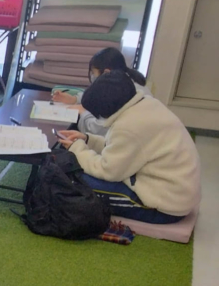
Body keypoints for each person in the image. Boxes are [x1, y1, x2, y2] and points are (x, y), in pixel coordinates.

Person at [56, 70, 200, 224]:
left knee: (72, 178)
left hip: (164, 208)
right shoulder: (147, 104)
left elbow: (107, 170)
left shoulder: (128, 127)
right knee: (75, 172)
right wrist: (88, 140)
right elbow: (124, 149)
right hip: (176, 193)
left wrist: (77, 149)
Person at [51, 48, 149, 136]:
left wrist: (83, 112)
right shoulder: (125, 81)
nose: (92, 76)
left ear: (106, 72)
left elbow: (99, 130)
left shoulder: (121, 91)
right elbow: (96, 95)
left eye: (93, 72)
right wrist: (74, 99)